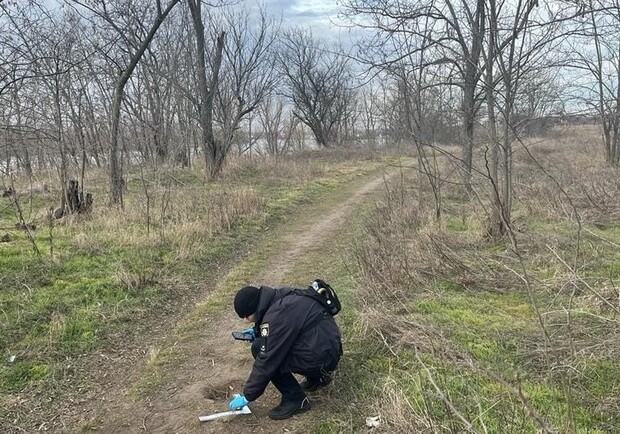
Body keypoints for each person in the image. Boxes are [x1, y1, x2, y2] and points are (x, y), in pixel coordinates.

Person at [228, 284, 342, 420]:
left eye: (246, 316)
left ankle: (296, 400)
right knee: (268, 343)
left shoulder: (276, 317)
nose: (246, 320)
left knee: (259, 349)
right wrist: (257, 332)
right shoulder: (282, 296)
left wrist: (248, 396)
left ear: (254, 308)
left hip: (321, 358)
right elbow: (289, 326)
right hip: (329, 349)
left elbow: (266, 361)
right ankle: (318, 378)